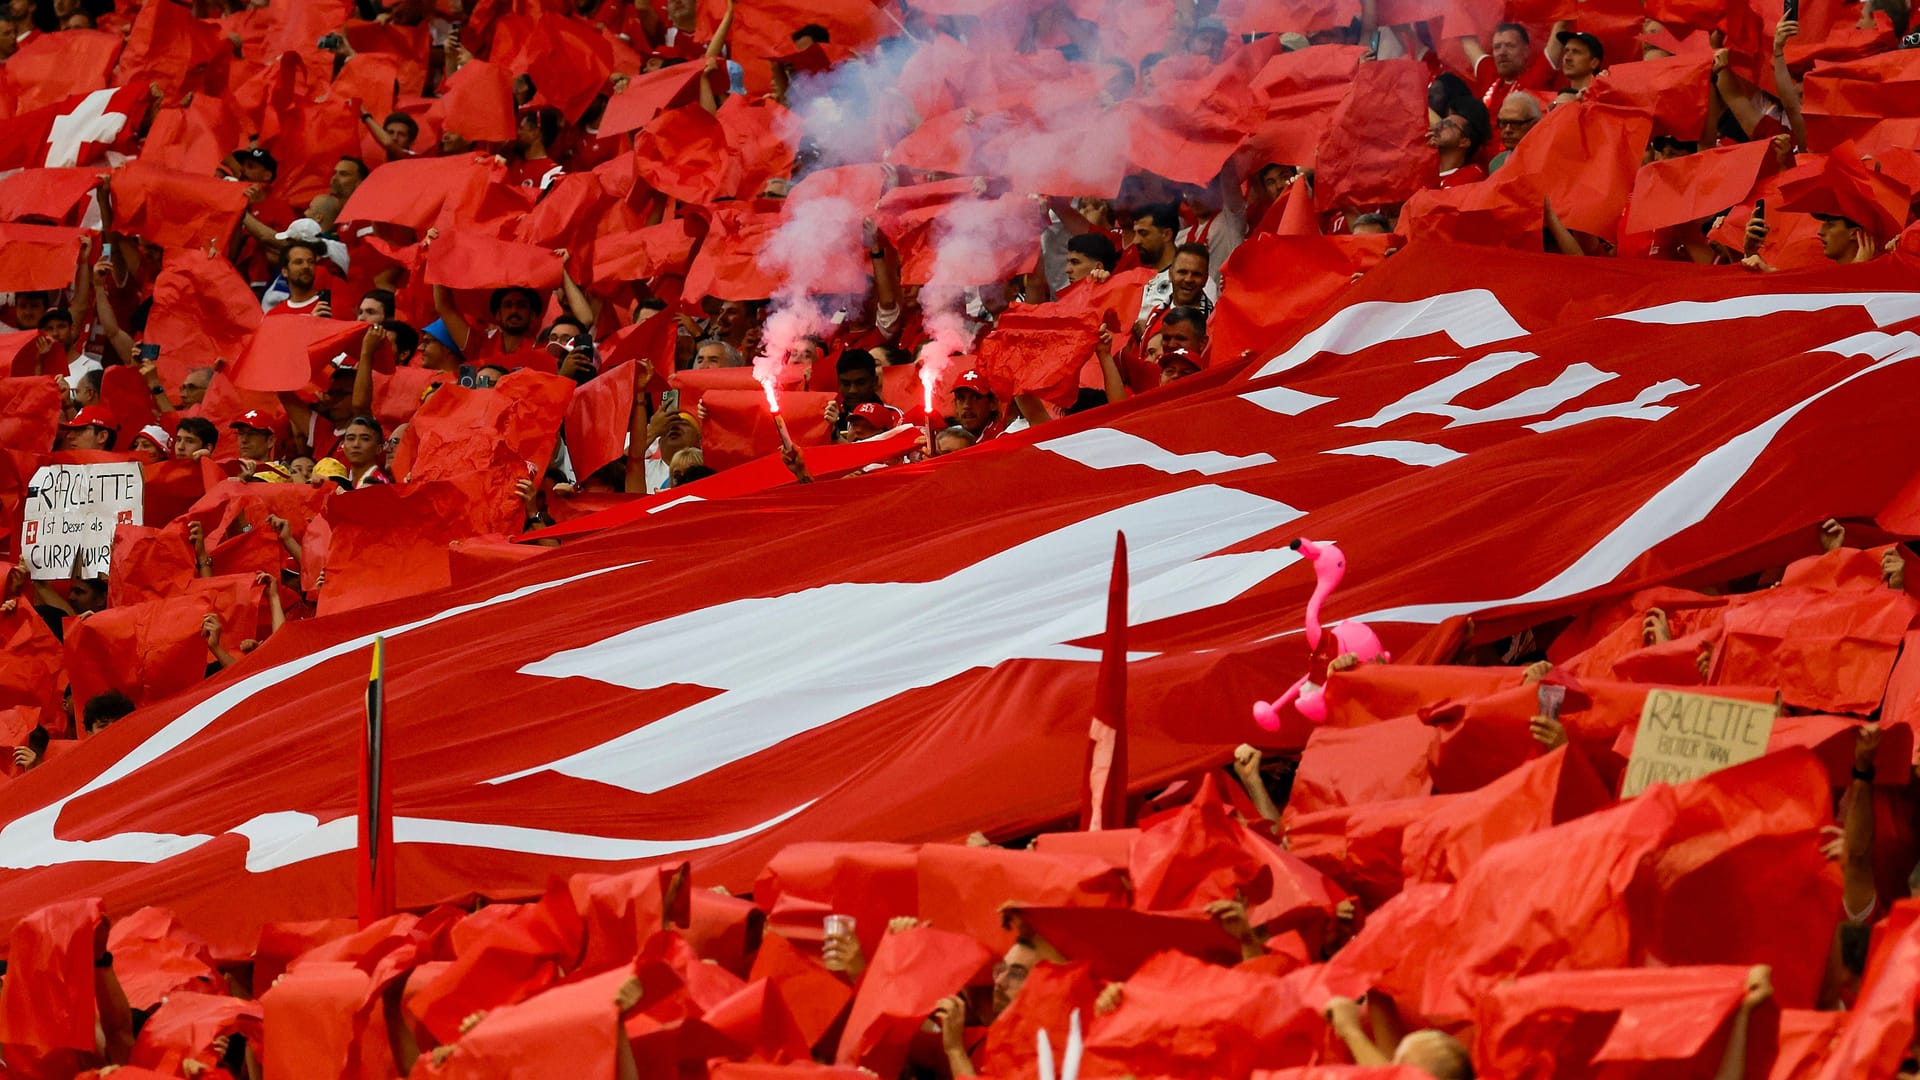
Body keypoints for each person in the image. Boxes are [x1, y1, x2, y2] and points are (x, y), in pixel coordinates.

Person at [264, 241, 330, 317]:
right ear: (284, 271)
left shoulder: (330, 306)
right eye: (298, 262)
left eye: (310, 262)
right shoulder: (275, 316)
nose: (306, 266)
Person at [1487, 94, 1542, 172]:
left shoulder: (1546, 162)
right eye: (1503, 123)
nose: (1507, 130)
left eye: (1516, 123)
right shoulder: (1496, 164)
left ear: (1535, 124)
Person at [1553, 30, 1604, 94]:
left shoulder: (1604, 98)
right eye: (1566, 51)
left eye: (1576, 52)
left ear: (1594, 63)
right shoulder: (1557, 100)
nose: (1567, 58)